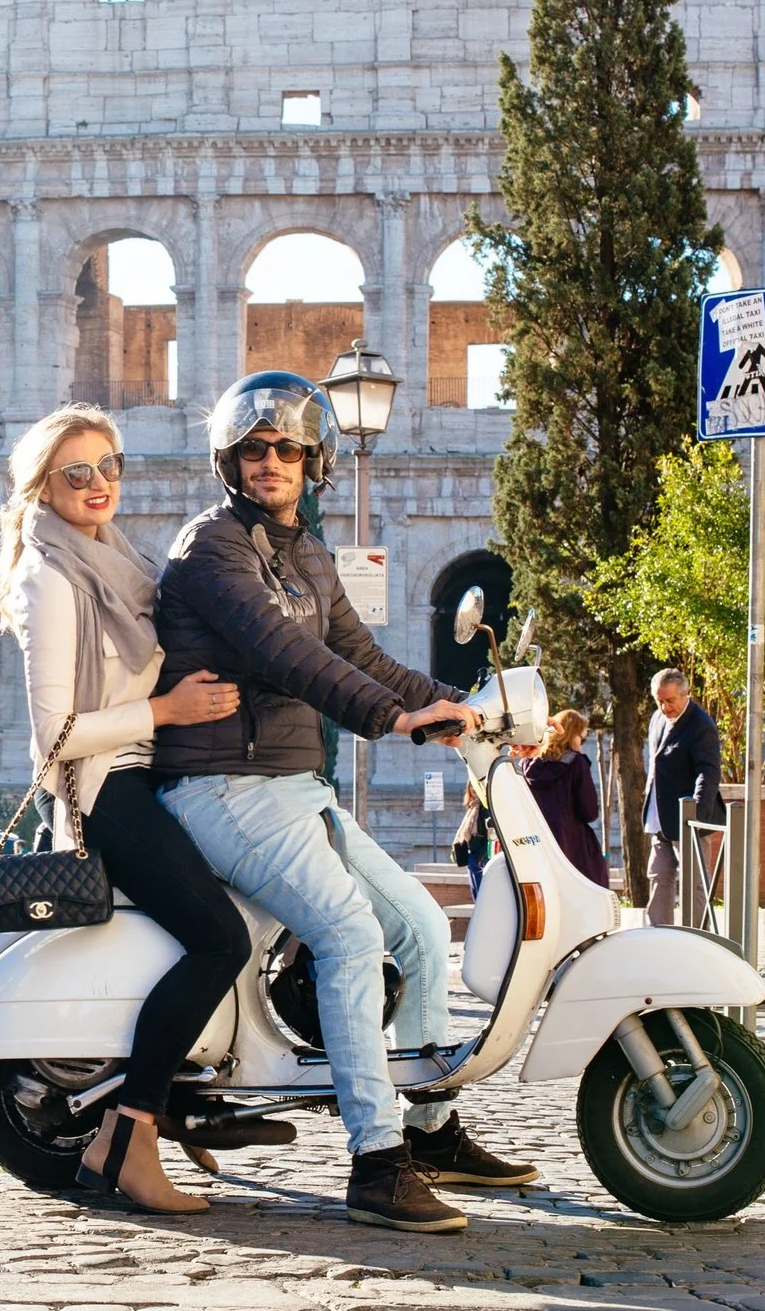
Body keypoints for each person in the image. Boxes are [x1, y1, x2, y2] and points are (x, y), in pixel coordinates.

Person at [150, 372, 537, 1234]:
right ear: (229, 460)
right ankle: (374, 1160)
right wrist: (394, 719)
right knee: (350, 935)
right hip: (221, 786)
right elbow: (288, 656)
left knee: (422, 929)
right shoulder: (210, 548)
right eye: (254, 449)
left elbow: (364, 654)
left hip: (292, 786)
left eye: (288, 448)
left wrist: (467, 708)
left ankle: (431, 1133)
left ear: (313, 459)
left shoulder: (308, 556)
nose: (270, 462)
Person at [0, 403, 254, 1215]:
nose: (99, 483)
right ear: (44, 484)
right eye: (78, 471)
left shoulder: (111, 557)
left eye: (111, 466)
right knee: (221, 941)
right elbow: (56, 735)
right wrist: (167, 713)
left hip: (149, 778)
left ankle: (172, 1103)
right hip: (108, 794)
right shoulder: (51, 577)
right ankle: (129, 1136)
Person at [643, 669, 723, 926]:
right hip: (659, 818)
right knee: (658, 876)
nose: (664, 707)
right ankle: (658, 935)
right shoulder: (657, 718)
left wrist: (696, 815)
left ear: (685, 694)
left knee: (694, 882)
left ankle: (696, 937)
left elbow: (708, 773)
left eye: (669, 701)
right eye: (659, 700)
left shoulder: (701, 725)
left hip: (688, 818)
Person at [523, 709, 610, 888]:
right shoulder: (576, 764)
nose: (582, 743)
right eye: (582, 738)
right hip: (571, 842)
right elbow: (589, 811)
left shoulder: (527, 765)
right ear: (571, 736)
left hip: (535, 842)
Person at [451, 775, 491, 906]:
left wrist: (480, 855)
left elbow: (488, 834)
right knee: (476, 893)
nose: (473, 789)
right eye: (471, 786)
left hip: (481, 857)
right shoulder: (473, 807)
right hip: (472, 857)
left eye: (475, 786)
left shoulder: (485, 808)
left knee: (482, 894)